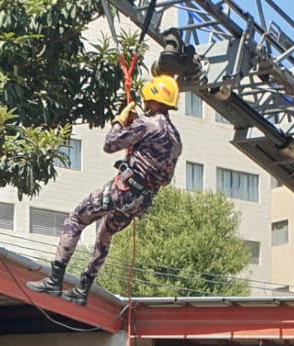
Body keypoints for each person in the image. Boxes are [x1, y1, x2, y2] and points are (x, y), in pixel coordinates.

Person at [26, 74, 184, 303]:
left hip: (123, 191)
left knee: (76, 219)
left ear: (153, 98)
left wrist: (120, 122)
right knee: (105, 235)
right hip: (141, 201)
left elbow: (110, 144)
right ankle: (82, 290)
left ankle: (55, 280)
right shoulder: (176, 138)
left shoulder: (147, 124)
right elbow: (166, 178)